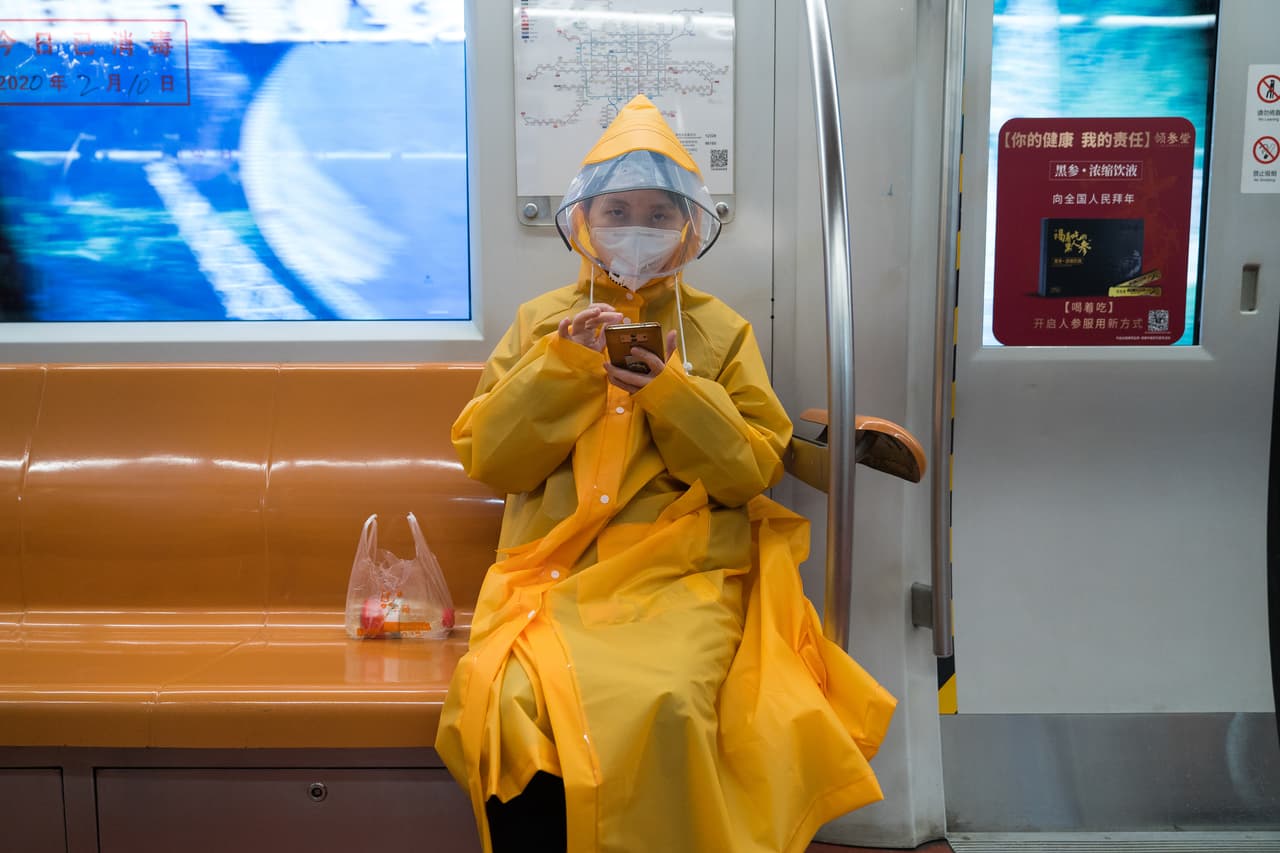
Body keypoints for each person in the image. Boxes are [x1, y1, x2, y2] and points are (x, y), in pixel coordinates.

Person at [435, 94, 895, 853]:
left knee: (671, 698)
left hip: (682, 577)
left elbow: (749, 469)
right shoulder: (541, 322)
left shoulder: (721, 330)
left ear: (688, 227)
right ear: (584, 221)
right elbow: (491, 458)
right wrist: (564, 367)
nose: (636, 229)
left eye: (657, 211)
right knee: (510, 702)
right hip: (556, 573)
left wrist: (674, 390)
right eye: (617, 210)